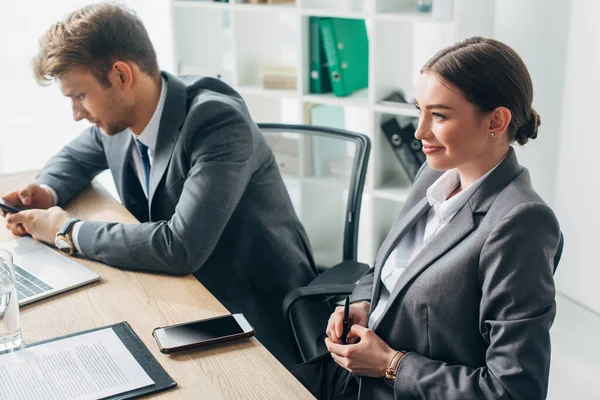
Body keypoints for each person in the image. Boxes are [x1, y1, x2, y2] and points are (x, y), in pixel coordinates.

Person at [0, 3, 316, 368]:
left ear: (121, 75)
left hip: (257, 314)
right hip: (178, 295)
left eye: (80, 95)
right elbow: (74, 158)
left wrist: (67, 231)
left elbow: (179, 247)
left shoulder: (215, 122)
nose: (77, 113)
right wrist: (45, 191)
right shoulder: (120, 121)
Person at [293, 37, 563, 399]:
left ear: (496, 120)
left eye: (438, 115)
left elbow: (514, 390)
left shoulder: (521, 223)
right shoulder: (435, 173)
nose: (419, 132)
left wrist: (391, 364)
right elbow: (390, 271)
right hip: (345, 381)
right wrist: (363, 304)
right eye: (419, 110)